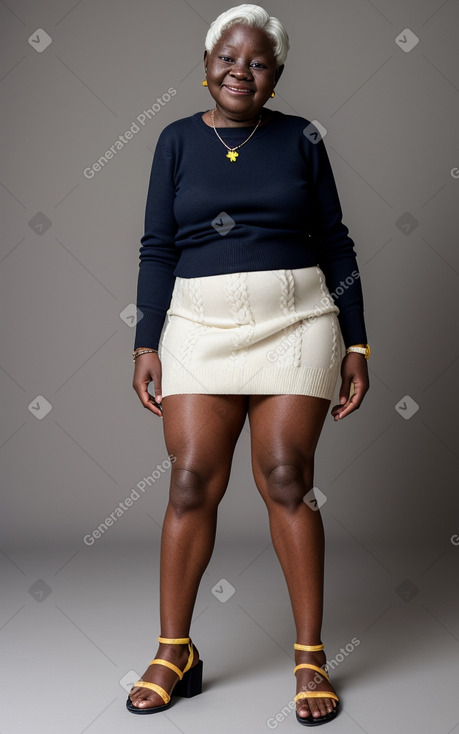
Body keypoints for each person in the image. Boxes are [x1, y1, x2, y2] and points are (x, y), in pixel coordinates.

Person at [128, 3, 369, 726]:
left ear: (276, 75)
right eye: (228, 57)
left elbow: (335, 241)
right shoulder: (174, 141)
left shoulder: (300, 138)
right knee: (191, 479)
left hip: (297, 321)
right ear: (207, 64)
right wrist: (145, 341)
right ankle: (176, 650)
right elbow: (157, 246)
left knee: (287, 476)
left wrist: (358, 342)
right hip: (197, 326)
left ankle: (309, 655)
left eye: (258, 61)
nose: (241, 70)